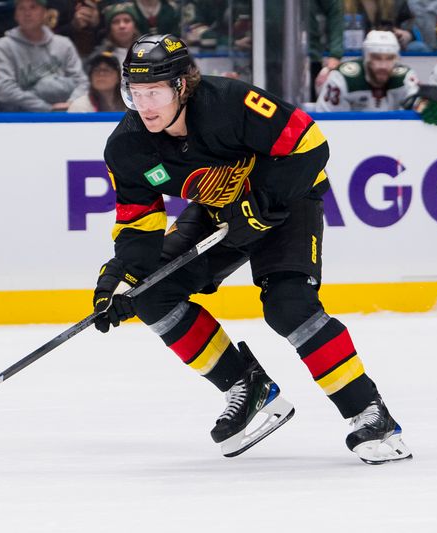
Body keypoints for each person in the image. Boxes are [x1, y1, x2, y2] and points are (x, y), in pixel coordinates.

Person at [93, 33, 412, 464]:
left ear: (182, 85)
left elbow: (310, 143)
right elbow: (138, 224)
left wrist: (265, 199)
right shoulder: (128, 146)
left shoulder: (230, 101)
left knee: (289, 306)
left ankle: (371, 414)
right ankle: (248, 387)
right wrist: (120, 277)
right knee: (150, 291)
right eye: (136, 93)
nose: (145, 105)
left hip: (287, 200)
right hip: (221, 209)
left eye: (155, 92)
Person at [316, 30, 437, 124]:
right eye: (376, 58)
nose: (383, 66)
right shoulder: (342, 79)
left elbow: (416, 102)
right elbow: (327, 123)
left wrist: (427, 105)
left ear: (396, 59)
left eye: (389, 59)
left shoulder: (404, 77)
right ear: (366, 58)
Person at [0, 0, 88, 111]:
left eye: (33, 7)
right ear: (16, 15)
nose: (27, 13)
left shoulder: (64, 44)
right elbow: (5, 91)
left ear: (45, 13)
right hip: (19, 118)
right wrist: (47, 109)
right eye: (21, 8)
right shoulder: (3, 46)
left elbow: (81, 81)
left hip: (66, 113)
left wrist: (71, 103)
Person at [93, 2, 141, 67]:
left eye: (127, 21)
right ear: (110, 29)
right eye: (116, 22)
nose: (122, 26)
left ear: (135, 27)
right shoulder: (99, 57)